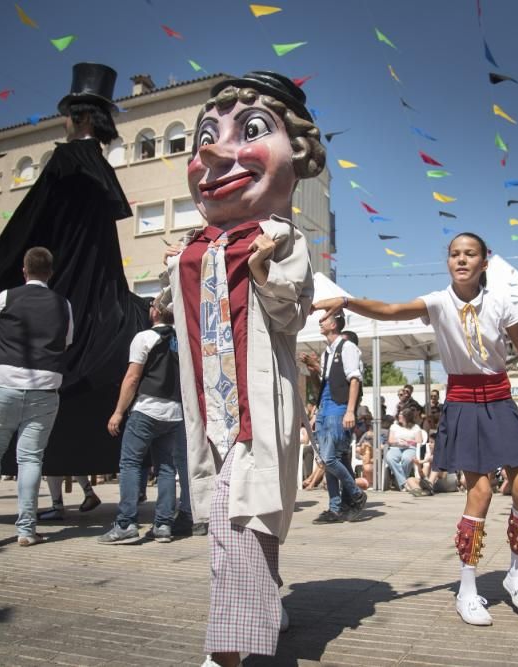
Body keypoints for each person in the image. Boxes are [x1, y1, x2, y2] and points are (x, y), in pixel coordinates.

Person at [158, 71, 325, 665]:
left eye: (250, 130)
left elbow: (288, 314)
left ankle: (228, 650)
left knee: (239, 514)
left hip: (256, 406)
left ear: (297, 154)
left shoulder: (279, 236)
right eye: (206, 134)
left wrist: (260, 269)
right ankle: (266, 607)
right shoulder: (198, 242)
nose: (211, 148)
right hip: (209, 408)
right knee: (239, 515)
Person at [314, 231, 518, 623]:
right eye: (454, 254)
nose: (461, 260)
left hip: (500, 399)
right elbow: (390, 309)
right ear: (447, 261)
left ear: (485, 261)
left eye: (469, 254)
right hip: (463, 402)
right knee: (479, 493)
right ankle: (467, 589)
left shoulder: (501, 303)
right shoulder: (437, 302)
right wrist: (348, 300)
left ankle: (517, 574)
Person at [0, 62, 150, 479]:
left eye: (68, 114)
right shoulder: (100, 165)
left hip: (62, 278)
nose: (63, 121)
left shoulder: (68, 158)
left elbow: (30, 224)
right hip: (95, 290)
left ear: (83, 116)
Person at [0, 247, 73, 547]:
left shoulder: (6, 296)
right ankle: (27, 530)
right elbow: (66, 341)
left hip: (4, 382)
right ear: (50, 272)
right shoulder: (64, 304)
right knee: (30, 458)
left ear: (24, 270)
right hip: (45, 386)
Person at [98, 298, 191, 544]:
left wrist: (118, 411)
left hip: (147, 408)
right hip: (175, 411)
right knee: (167, 468)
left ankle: (126, 522)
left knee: (130, 463)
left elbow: (132, 378)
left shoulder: (143, 338)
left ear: (156, 311)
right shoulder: (182, 340)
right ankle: (163, 524)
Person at [311, 308, 367, 524]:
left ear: (334, 324)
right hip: (325, 406)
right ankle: (335, 508)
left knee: (328, 457)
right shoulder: (327, 352)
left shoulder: (348, 347)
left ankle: (355, 494)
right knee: (332, 458)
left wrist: (350, 410)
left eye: (324, 318)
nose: (320, 321)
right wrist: (317, 410)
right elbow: (325, 383)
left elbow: (355, 379)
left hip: (338, 407)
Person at [384, 407, 425, 493]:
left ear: (407, 416)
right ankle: (404, 483)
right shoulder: (394, 426)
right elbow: (390, 440)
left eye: (401, 414)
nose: (399, 416)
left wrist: (409, 442)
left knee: (406, 459)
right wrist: (398, 442)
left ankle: (399, 482)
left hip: (410, 448)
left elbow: (419, 441)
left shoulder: (415, 427)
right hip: (396, 447)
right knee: (390, 458)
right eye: (399, 414)